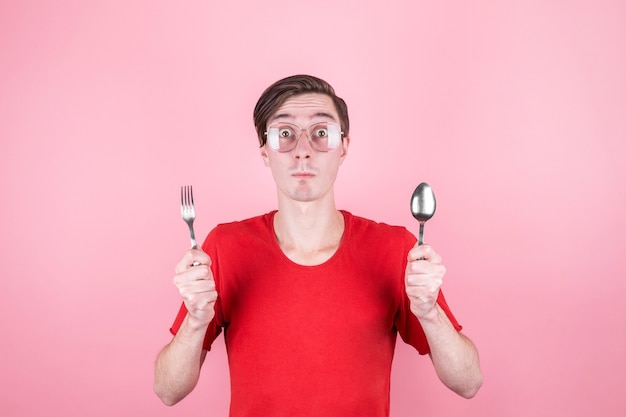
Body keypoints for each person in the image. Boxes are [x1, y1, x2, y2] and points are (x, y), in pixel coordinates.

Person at [154, 74, 483, 416]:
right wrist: (195, 320)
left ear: (344, 147)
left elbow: (468, 381)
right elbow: (167, 391)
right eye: (285, 135)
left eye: (321, 133)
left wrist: (429, 312)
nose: (303, 151)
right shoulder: (224, 247)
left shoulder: (397, 249)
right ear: (265, 152)